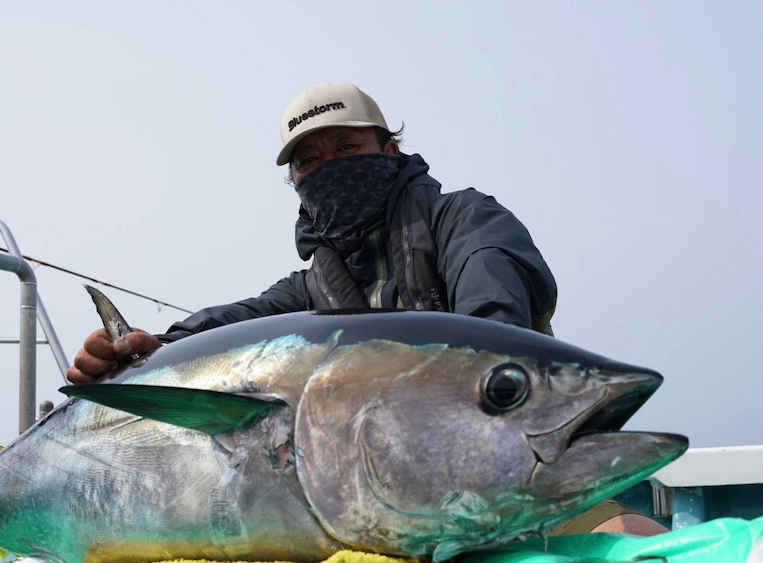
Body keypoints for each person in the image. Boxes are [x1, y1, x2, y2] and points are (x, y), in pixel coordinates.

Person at [66, 82, 663, 536]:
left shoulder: (466, 220)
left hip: (513, 478)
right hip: (378, 502)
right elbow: (232, 325)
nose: (331, 168)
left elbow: (493, 321)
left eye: (347, 147)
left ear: (391, 148)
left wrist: (494, 389)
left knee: (629, 536)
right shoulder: (313, 288)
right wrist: (153, 350)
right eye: (310, 162)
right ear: (295, 182)